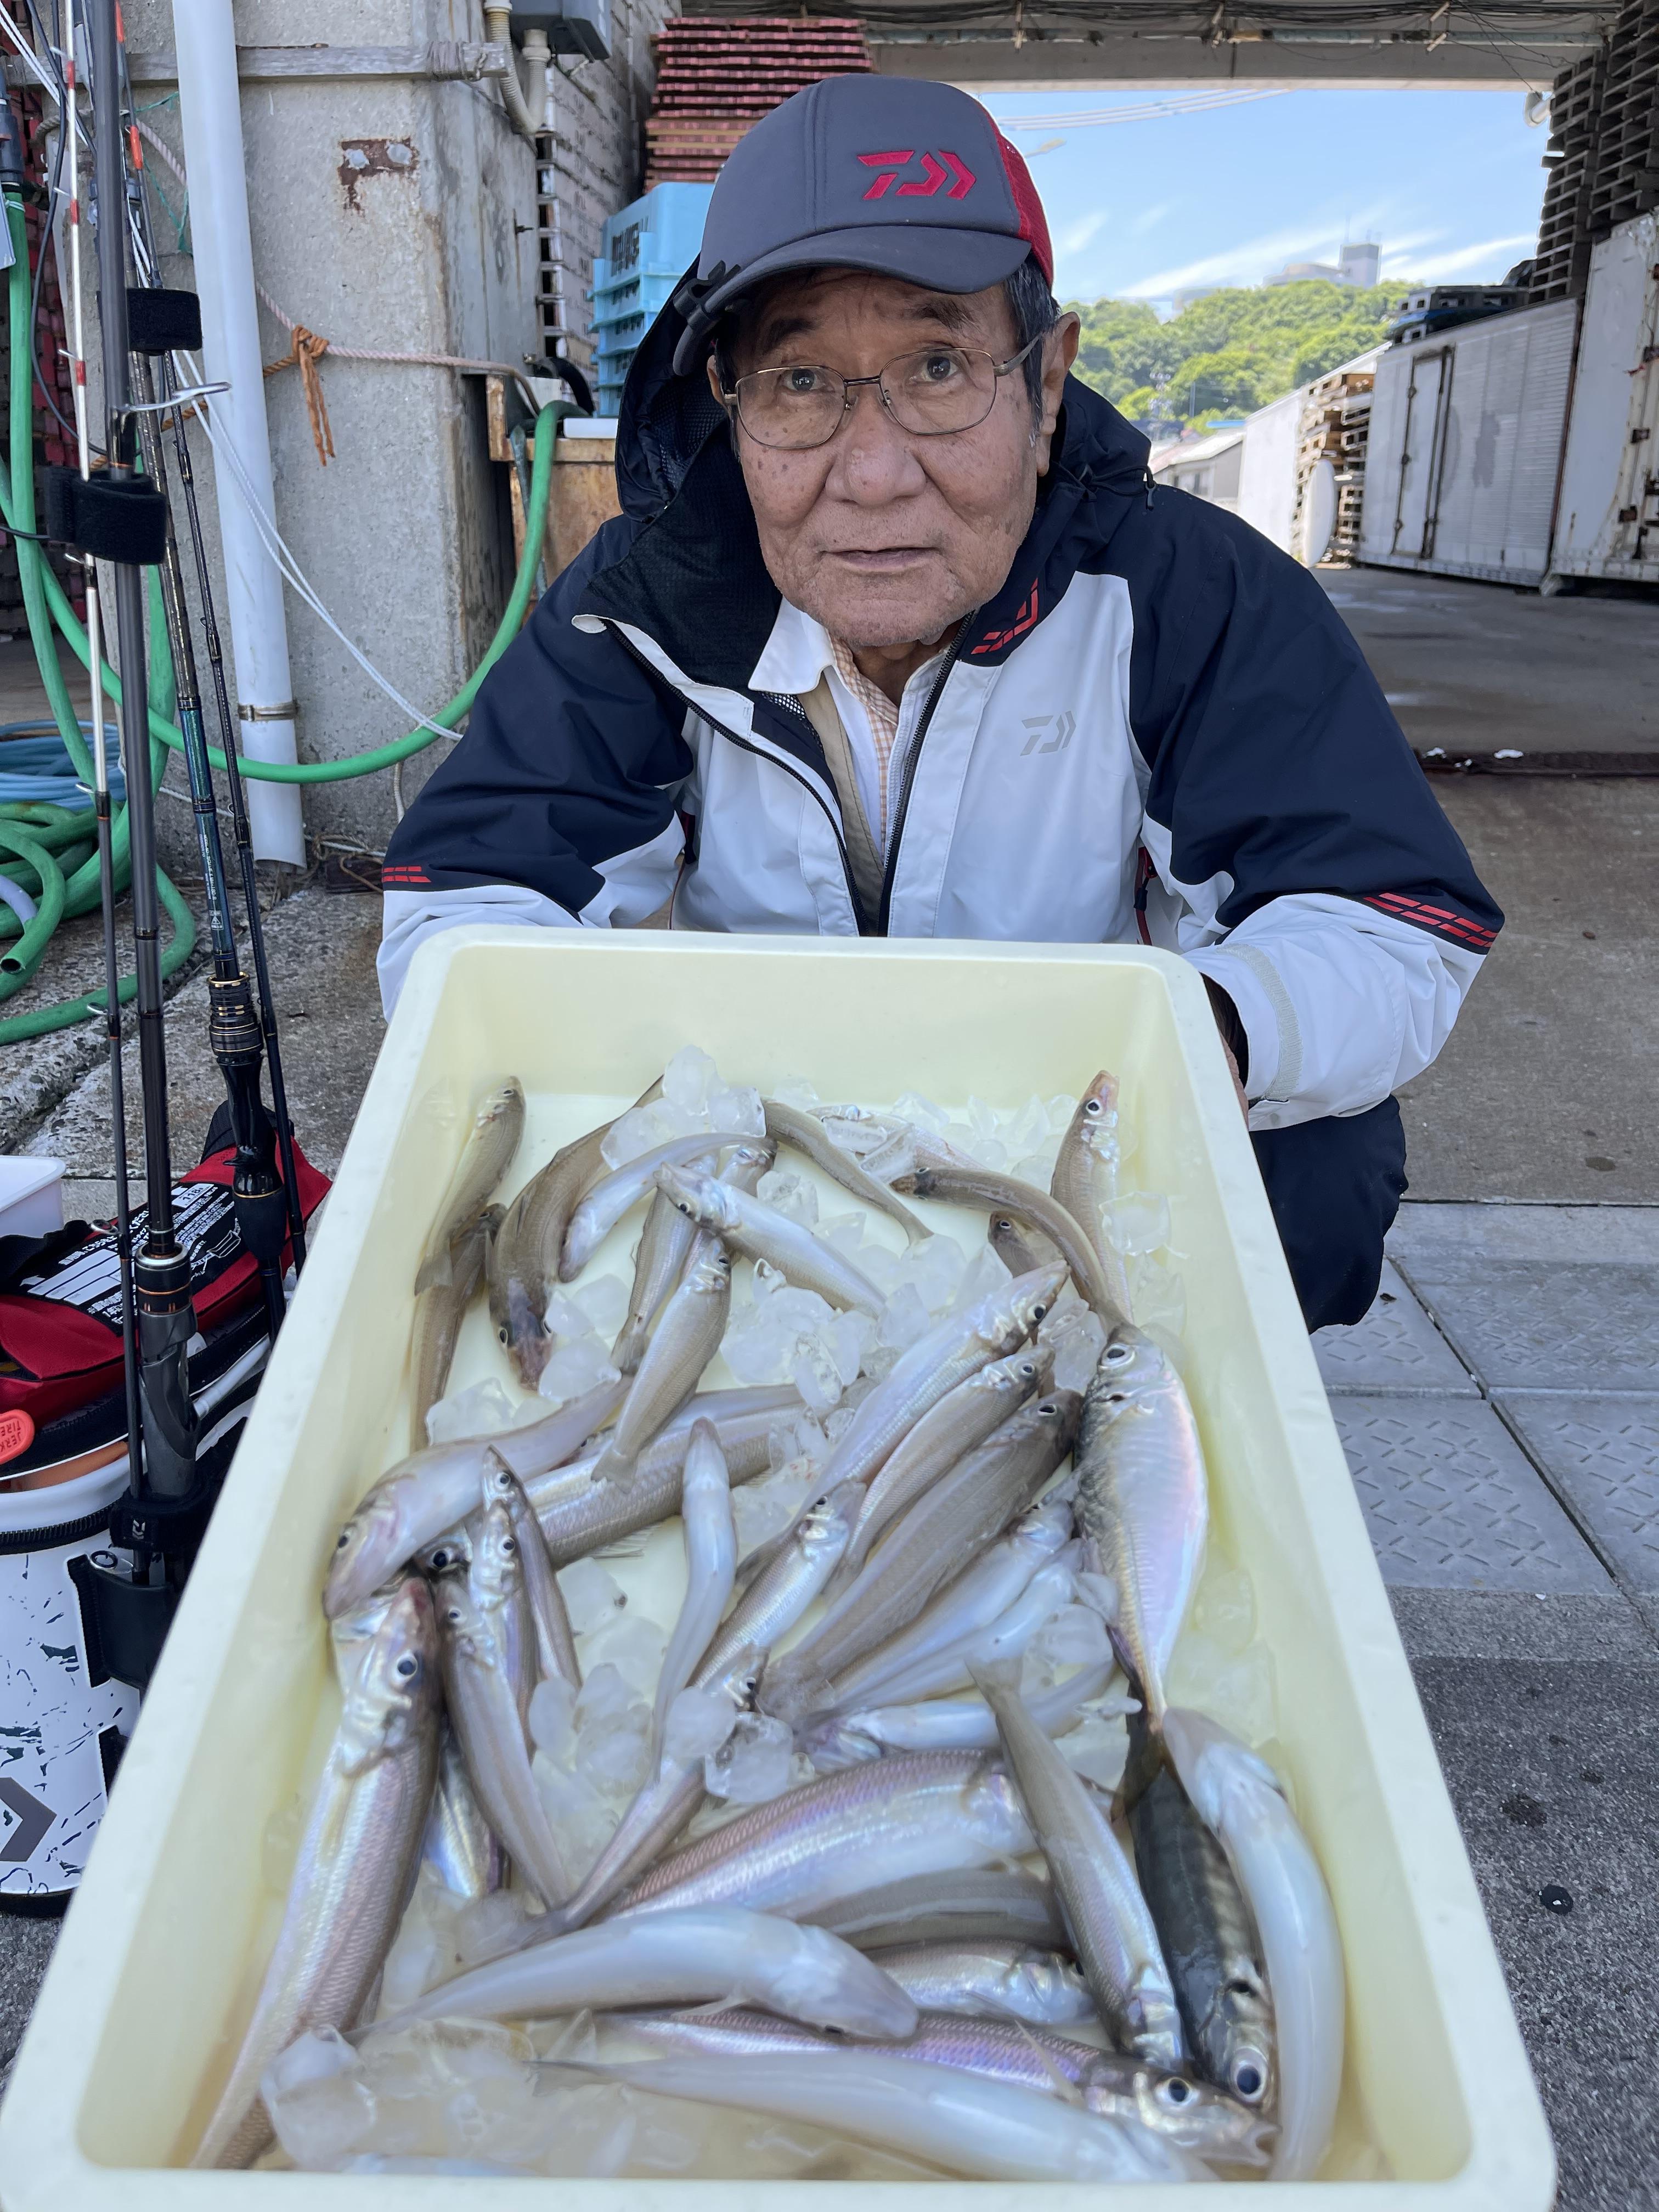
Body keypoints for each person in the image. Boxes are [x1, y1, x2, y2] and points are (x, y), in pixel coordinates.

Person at [378, 75, 1501, 1332]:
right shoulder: (646, 600)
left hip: (1072, 1138)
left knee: (1321, 1169)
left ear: (1047, 385)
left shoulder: (1192, 592)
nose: (871, 472)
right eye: (799, 381)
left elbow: (1386, 922)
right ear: (727, 405)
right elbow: (465, 914)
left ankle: (1173, 1390)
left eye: (937, 365)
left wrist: (1192, 1041)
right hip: (761, 1147)